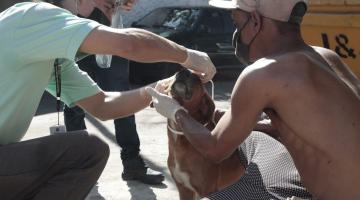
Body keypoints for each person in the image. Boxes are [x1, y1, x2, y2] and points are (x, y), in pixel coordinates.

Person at [0, 0, 216, 199]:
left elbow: (103, 105)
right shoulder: (34, 15)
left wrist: (160, 88)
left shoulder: (48, 50)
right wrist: (187, 55)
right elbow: (127, 44)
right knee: (86, 152)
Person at [146, 0, 360, 199]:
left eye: (236, 22)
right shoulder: (327, 57)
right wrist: (250, 123)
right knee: (251, 138)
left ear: (255, 21)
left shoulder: (263, 73)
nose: (235, 33)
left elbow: (214, 150)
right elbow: (314, 129)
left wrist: (175, 111)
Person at [63, 5, 165, 185]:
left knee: (122, 101)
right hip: (78, 32)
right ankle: (79, 168)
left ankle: (132, 163)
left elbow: (127, 4)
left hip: (112, 34)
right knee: (74, 104)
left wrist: (124, 2)